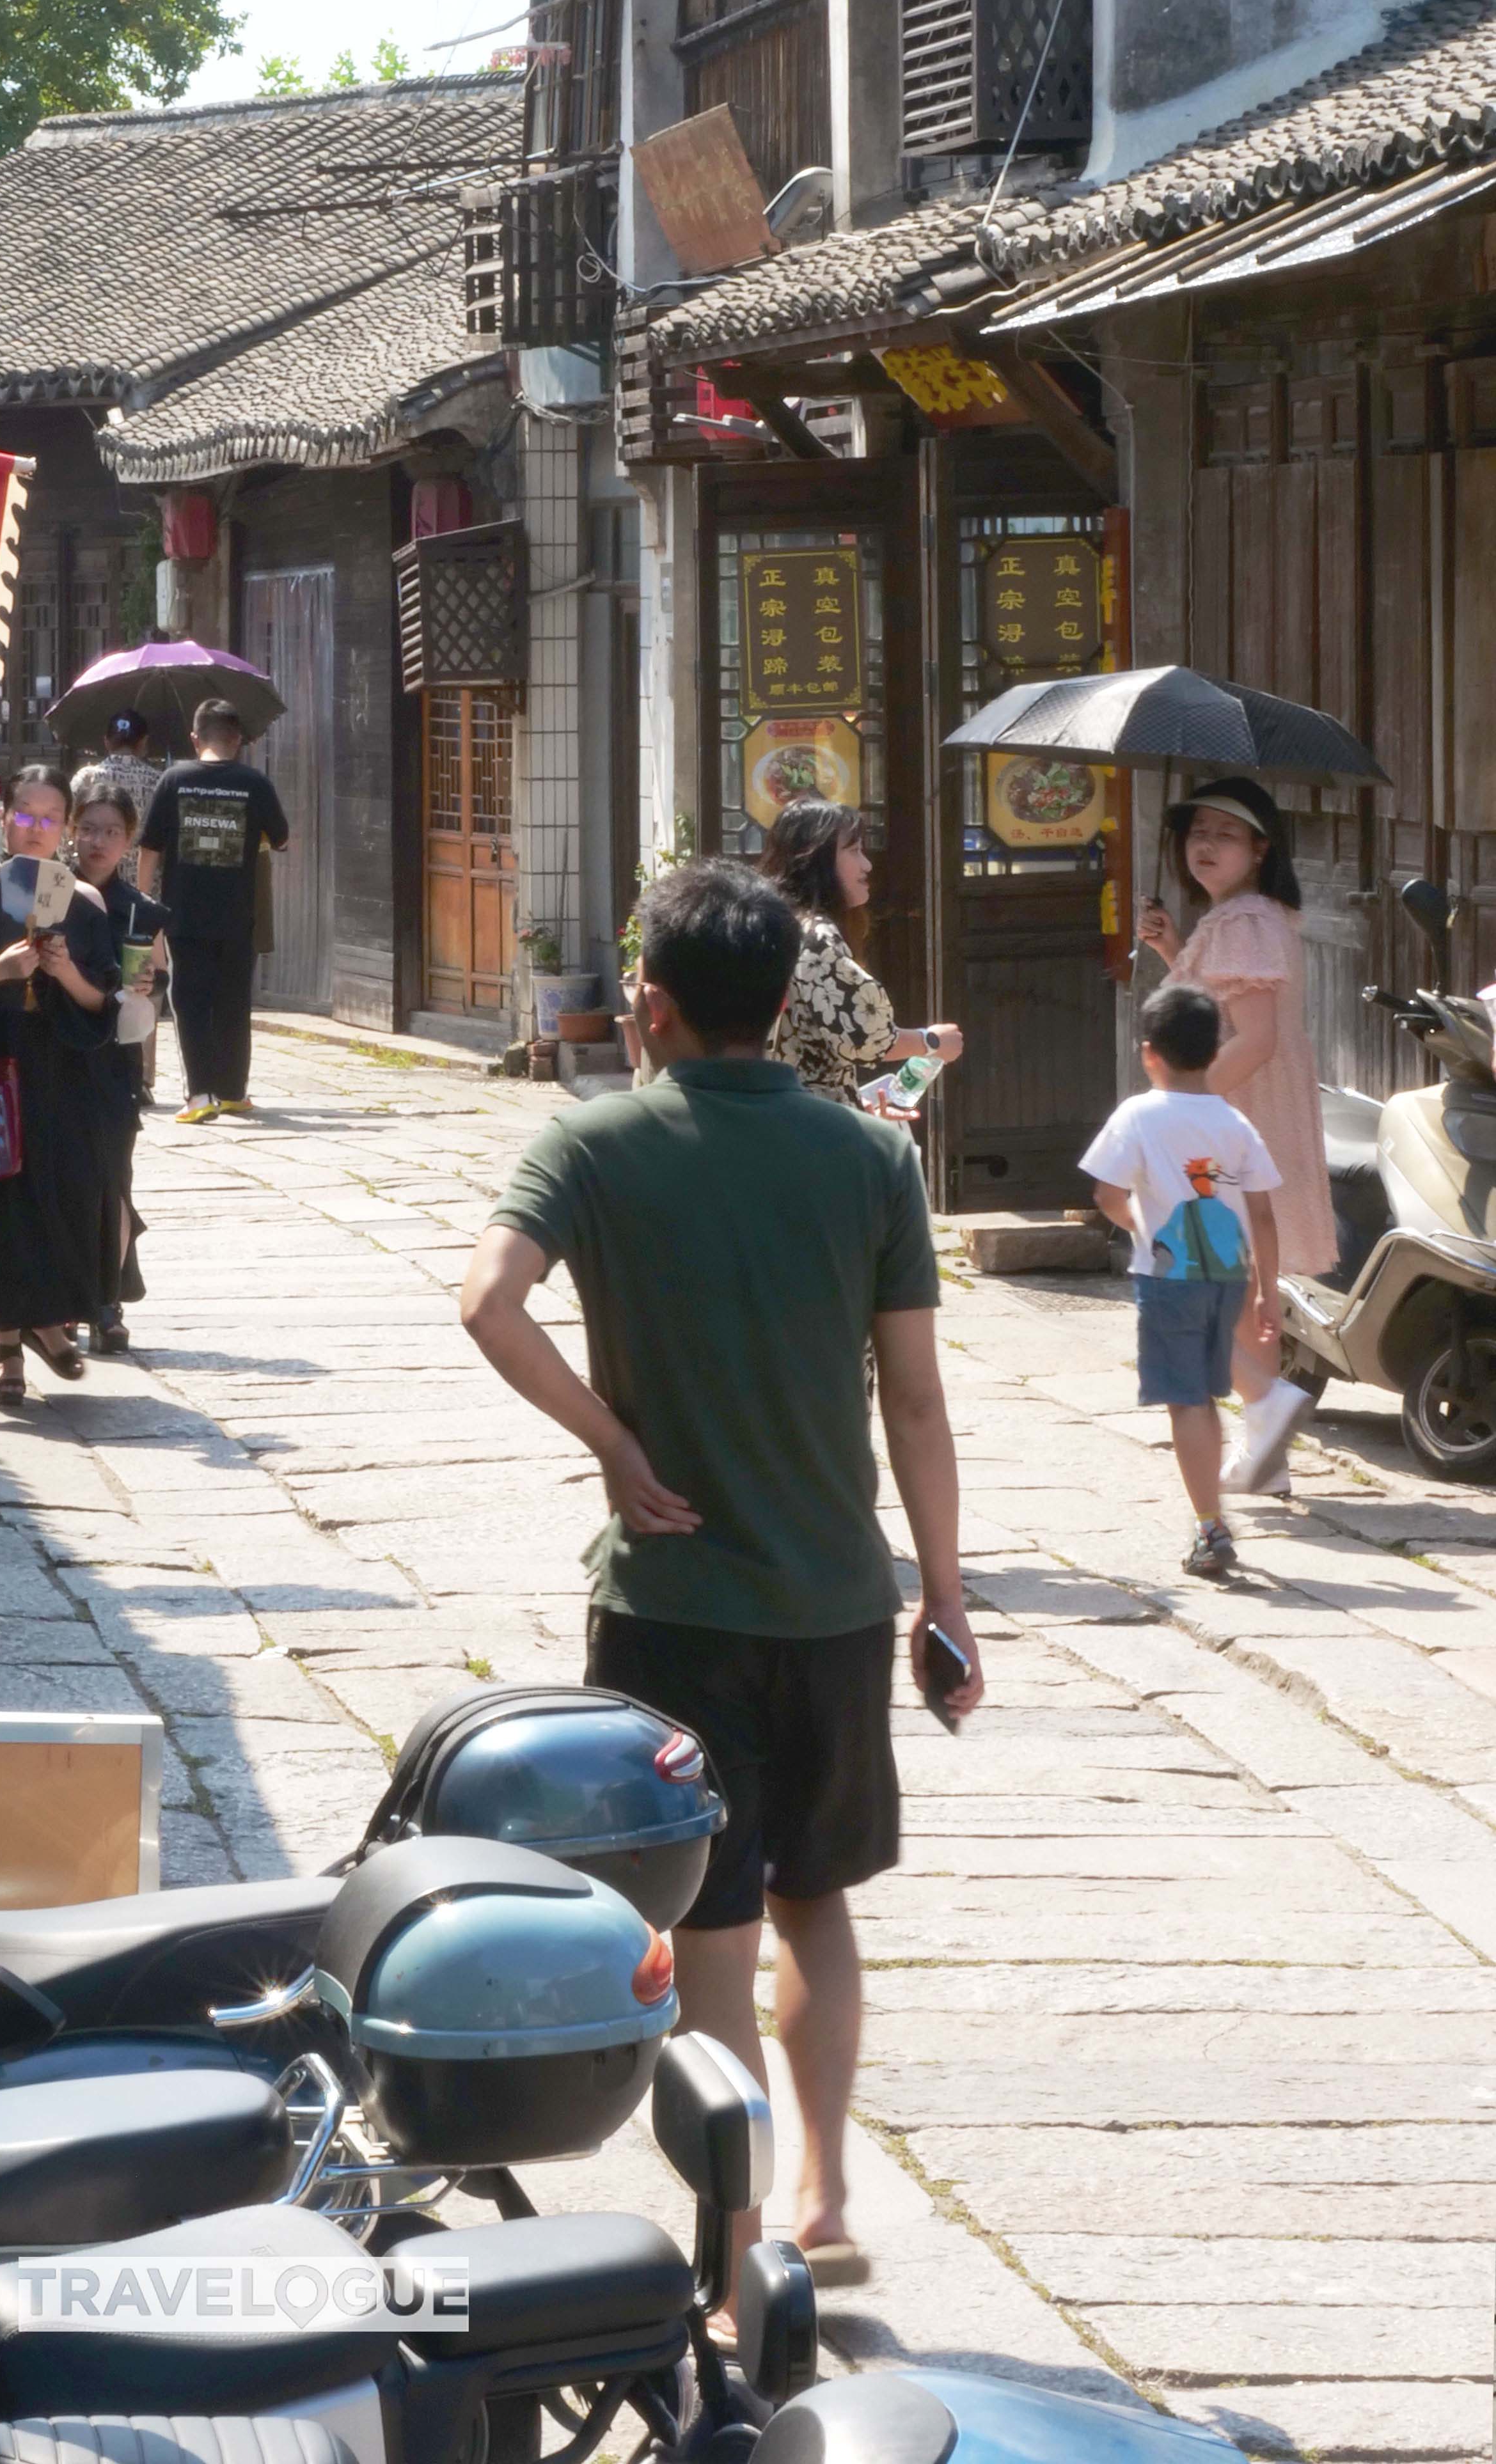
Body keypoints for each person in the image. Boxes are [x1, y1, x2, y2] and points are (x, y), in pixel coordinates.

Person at [459, 857, 980, 2299]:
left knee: (708, 1935)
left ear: (654, 1004)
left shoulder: (597, 1145)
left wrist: (613, 1442)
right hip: (833, 1602)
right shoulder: (871, 1158)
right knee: (819, 1898)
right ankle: (823, 2193)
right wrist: (945, 1595)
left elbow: (488, 1305)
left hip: (668, 1604)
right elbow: (917, 1403)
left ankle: (737, 2248)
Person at [1135, 776, 1335, 1491]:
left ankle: (1267, 1402)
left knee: (1195, 1281)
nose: (1205, 845)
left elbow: (1254, 1041)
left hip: (1233, 1120)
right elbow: (1221, 1005)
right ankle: (1266, 1449)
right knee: (1241, 1281)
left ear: (1260, 847)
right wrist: (1172, 949)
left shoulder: (1247, 920)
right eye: (1196, 833)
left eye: (1225, 833)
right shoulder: (1239, 919)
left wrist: (1183, 1102)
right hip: (1241, 1117)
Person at [0, 764, 129, 1408]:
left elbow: (103, 1001)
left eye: (50, 819)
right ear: (3, 815)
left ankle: (49, 1320)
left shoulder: (87, 902)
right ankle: (7, 1344)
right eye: (26, 815)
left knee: (65, 1197)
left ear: (64, 827)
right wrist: (1, 969)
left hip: (63, 1073)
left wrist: (64, 973)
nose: (37, 830)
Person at [1082, 978, 1282, 1583]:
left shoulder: (1138, 1115)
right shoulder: (1234, 1122)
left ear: (1150, 1053)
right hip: (1228, 1278)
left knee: (1187, 1401)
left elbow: (1107, 1193)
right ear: (1214, 1051)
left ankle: (1210, 1526)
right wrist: (1268, 1290)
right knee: (1208, 1393)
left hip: (1168, 1278)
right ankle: (1211, 1515)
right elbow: (1265, 1214)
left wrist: (1139, 1225)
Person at [136, 700, 287, 1124]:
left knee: (190, 1002)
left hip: (184, 916)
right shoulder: (254, 783)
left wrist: (142, 904)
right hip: (239, 916)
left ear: (194, 738)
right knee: (234, 1003)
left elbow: (150, 848)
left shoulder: (174, 780)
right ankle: (234, 1091)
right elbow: (282, 840)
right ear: (237, 740)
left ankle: (200, 1094)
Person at [758, 801, 961, 1104]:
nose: (867, 865)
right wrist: (932, 1042)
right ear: (817, 859)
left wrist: (861, 1103)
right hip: (815, 1124)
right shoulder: (816, 936)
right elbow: (868, 1037)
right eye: (853, 851)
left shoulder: (779, 924)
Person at [71, 773, 168, 1351]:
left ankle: (106, 1302)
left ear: (129, 840)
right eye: (88, 829)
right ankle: (63, 1298)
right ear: (70, 833)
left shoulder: (140, 911)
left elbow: (156, 994)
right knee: (64, 1181)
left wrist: (152, 984)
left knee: (113, 1179)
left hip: (114, 1064)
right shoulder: (50, 894)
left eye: (110, 831)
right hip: (56, 1051)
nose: (98, 842)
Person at [92, 713, 166, 881]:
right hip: (143, 887)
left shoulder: (86, 779)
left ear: (107, 742)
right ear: (143, 743)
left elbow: (65, 836)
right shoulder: (160, 782)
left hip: (95, 882)